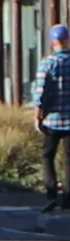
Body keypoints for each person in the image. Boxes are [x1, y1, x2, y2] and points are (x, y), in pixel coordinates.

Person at [35, 23, 70, 212]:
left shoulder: (47, 63)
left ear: (52, 41)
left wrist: (37, 115)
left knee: (47, 156)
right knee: (69, 160)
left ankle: (51, 194)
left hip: (52, 120)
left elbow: (40, 92)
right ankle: (68, 200)